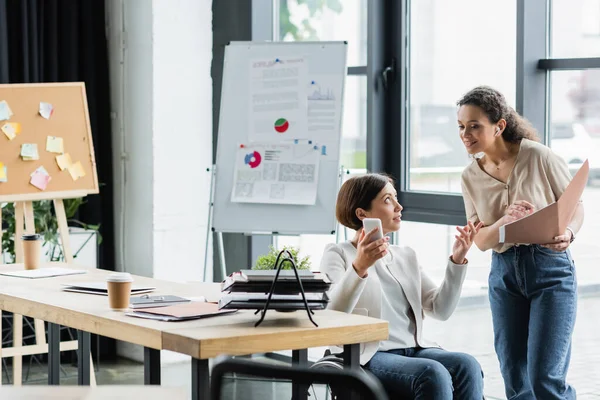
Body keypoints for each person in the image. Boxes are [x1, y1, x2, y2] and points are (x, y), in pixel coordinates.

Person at [457, 85, 584, 399]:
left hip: (550, 270)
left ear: (499, 125)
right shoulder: (469, 177)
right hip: (504, 275)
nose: (466, 134)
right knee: (515, 377)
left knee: (545, 379)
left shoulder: (538, 156)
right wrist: (504, 221)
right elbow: (483, 241)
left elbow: (575, 206)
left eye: (475, 126)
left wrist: (568, 234)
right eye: (461, 126)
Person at [320, 173, 484, 399]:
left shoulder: (405, 255)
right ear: (361, 213)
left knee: (467, 365)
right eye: (388, 200)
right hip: (370, 354)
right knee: (432, 373)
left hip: (414, 349)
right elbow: (334, 315)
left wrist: (457, 260)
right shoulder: (338, 253)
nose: (399, 206)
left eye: (396, 198)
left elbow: (441, 310)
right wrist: (360, 266)